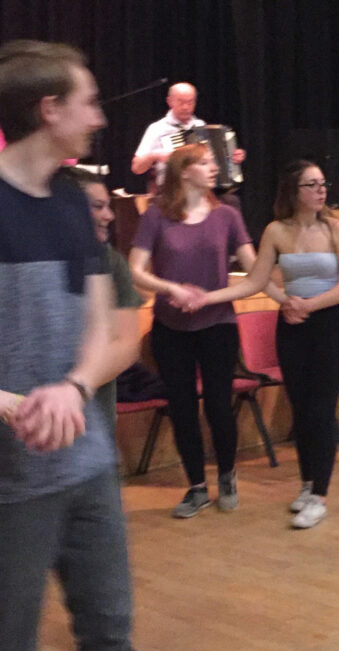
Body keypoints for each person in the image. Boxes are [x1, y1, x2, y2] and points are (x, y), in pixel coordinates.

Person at [0, 39, 141, 651]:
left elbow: (97, 325)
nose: (98, 117)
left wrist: (74, 385)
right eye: (88, 102)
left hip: (89, 468)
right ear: (49, 110)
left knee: (112, 648)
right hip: (5, 486)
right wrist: (15, 406)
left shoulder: (75, 200)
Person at [190, 160, 339, 528]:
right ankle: (307, 482)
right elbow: (255, 281)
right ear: (293, 191)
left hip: (329, 323)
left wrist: (305, 305)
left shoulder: (336, 228)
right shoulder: (276, 231)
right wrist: (209, 297)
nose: (321, 190)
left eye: (322, 183)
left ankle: (320, 496)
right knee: (300, 408)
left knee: (321, 409)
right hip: (292, 328)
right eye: (312, 184)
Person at [129, 143, 256, 518]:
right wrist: (172, 289)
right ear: (184, 171)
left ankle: (228, 475)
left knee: (218, 405)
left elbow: (255, 273)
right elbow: (136, 269)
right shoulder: (156, 215)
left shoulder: (228, 215)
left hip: (218, 323)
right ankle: (196, 487)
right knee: (181, 407)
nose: (215, 168)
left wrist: (210, 297)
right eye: (206, 162)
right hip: (170, 326)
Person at [63, 167, 144, 433]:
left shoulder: (111, 263)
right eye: (98, 207)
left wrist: (73, 390)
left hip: (92, 418)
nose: (109, 216)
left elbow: (127, 343)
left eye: (108, 206)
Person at [131, 82, 246, 187]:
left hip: (201, 188)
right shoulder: (157, 128)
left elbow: (213, 161)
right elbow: (136, 168)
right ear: (170, 101)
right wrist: (155, 156)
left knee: (230, 201)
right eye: (181, 102)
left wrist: (231, 157)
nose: (185, 107)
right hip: (171, 189)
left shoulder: (200, 125)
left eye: (190, 102)